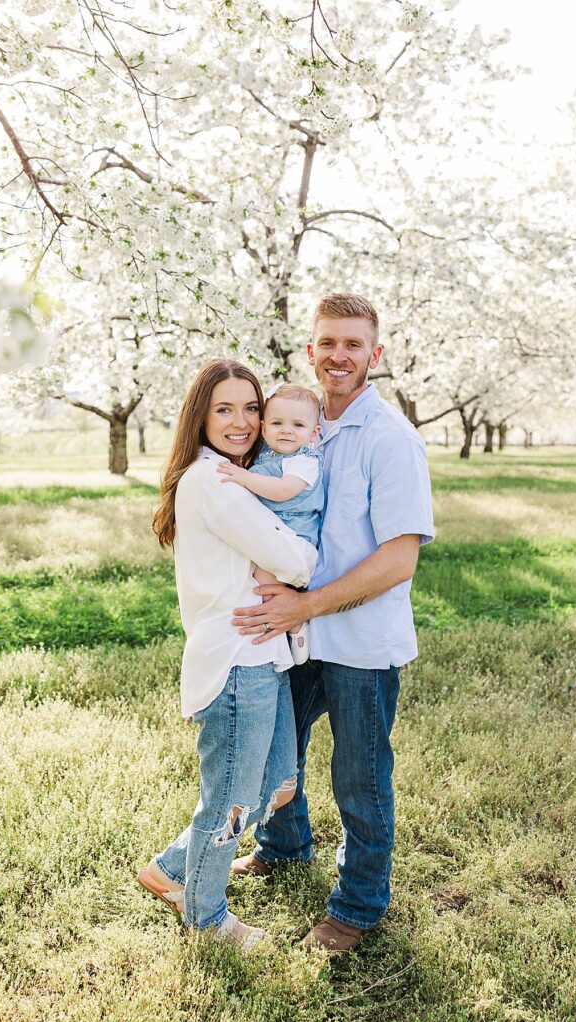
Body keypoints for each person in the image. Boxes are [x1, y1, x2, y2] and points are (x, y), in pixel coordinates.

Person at [230, 293, 434, 952]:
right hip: (296, 633)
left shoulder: (390, 439)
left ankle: (358, 905)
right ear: (310, 351)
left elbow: (398, 560)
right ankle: (283, 847)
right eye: (327, 343)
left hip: (359, 642)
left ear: (375, 355)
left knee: (359, 777)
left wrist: (305, 604)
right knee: (271, 746)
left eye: (352, 344)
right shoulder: (299, 426)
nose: (338, 355)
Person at [137, 359, 317, 951]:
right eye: (224, 409)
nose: (241, 422)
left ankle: (168, 868)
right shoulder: (215, 481)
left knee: (280, 783)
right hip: (238, 663)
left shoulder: (236, 477)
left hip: (265, 657)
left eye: (249, 408)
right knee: (233, 802)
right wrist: (299, 558)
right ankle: (207, 917)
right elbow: (297, 563)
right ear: (200, 417)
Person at [216, 383, 324, 663]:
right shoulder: (267, 453)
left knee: (264, 582)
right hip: (277, 532)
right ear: (263, 429)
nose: (286, 430)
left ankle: (295, 624)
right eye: (277, 423)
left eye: (298, 425)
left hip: (296, 537)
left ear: (313, 434)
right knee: (252, 575)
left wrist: (243, 478)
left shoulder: (305, 460)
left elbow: (282, 491)